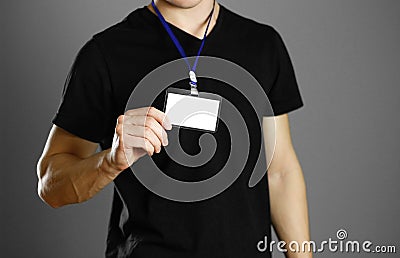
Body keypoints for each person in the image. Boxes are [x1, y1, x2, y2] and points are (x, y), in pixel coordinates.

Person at [37, 0, 311, 257]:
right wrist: (110, 162)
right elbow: (51, 185)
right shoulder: (106, 54)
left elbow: (280, 172)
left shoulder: (262, 45)